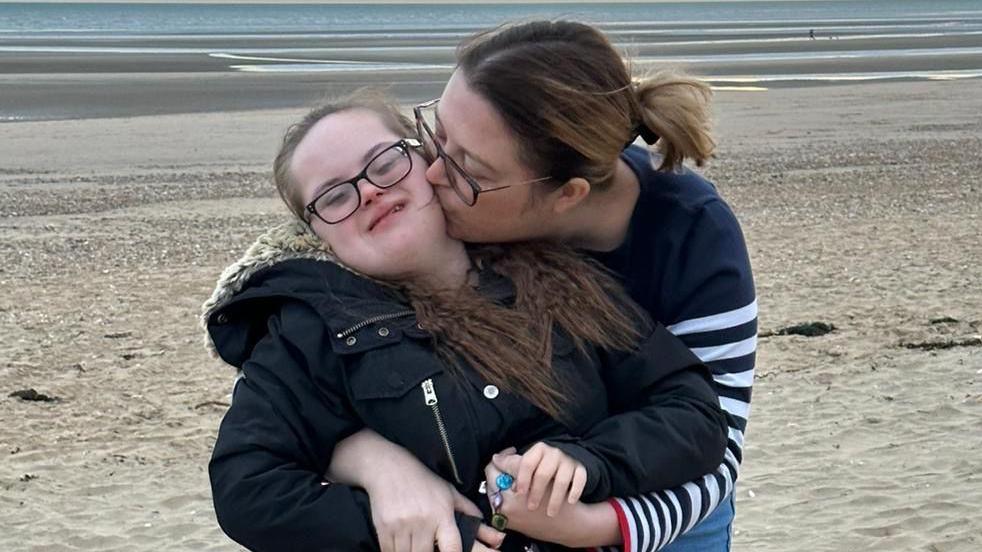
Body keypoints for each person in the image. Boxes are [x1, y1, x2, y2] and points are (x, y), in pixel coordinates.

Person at [203, 94, 730, 552]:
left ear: (429, 162)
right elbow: (246, 485)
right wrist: (412, 528)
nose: (367, 192)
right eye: (335, 195)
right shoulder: (311, 330)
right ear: (318, 232)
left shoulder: (561, 279)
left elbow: (691, 411)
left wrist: (587, 464)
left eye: (384, 163)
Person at [327, 20, 757, 552]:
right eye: (437, 136)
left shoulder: (692, 237)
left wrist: (595, 526)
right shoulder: (440, 213)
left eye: (469, 169)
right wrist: (376, 461)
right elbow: (298, 370)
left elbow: (716, 446)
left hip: (657, 506)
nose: (433, 175)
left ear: (568, 195)